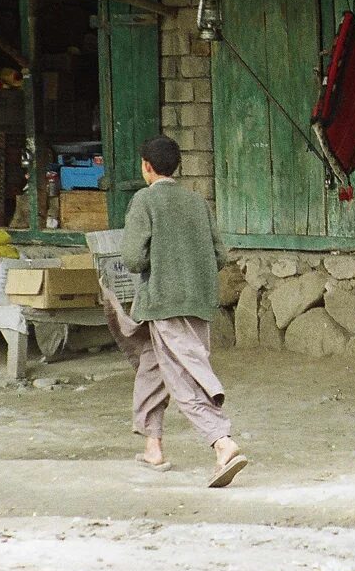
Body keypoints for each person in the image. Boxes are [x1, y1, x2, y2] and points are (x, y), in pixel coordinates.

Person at [101, 134, 249, 487]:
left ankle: (222, 443)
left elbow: (134, 259)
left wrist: (165, 261)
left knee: (184, 376)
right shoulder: (197, 202)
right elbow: (219, 255)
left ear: (146, 168)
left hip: (165, 303)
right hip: (196, 302)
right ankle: (153, 447)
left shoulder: (144, 202)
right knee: (153, 368)